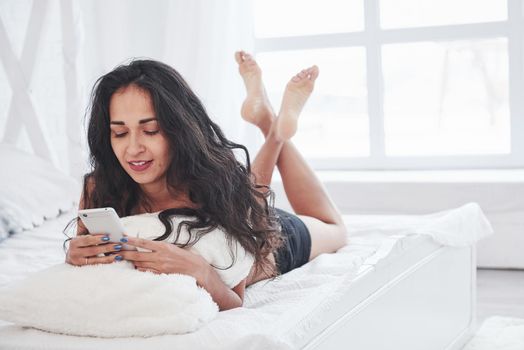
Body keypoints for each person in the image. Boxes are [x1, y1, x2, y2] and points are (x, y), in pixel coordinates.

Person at [64, 52, 347, 311]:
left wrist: (202, 271)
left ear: (178, 129)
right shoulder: (98, 188)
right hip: (244, 207)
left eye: (150, 130)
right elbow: (93, 272)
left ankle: (274, 129)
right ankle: (271, 122)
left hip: (269, 244)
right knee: (251, 194)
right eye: (120, 133)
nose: (134, 148)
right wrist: (75, 257)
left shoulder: (213, 184)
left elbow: (234, 303)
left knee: (336, 230)